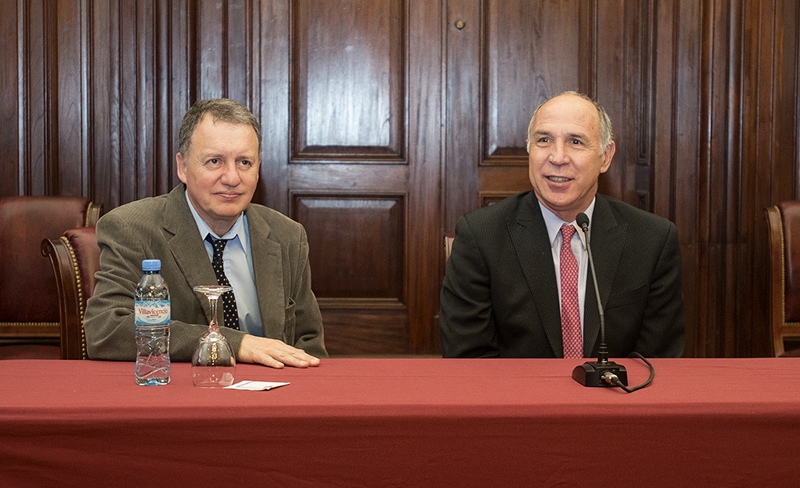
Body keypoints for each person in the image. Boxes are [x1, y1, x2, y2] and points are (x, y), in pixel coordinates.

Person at [439, 91, 685, 359]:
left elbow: (658, 361)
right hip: (517, 398)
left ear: (605, 156)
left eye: (575, 141)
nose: (557, 157)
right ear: (529, 149)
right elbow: (469, 359)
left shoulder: (652, 240)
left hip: (615, 398)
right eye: (544, 140)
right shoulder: (481, 236)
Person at [84, 98, 326, 368]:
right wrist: (235, 343)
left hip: (271, 398)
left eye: (244, 162)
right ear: (183, 167)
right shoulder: (132, 229)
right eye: (215, 161)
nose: (232, 178)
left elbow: (309, 344)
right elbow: (106, 328)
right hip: (181, 397)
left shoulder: (287, 236)